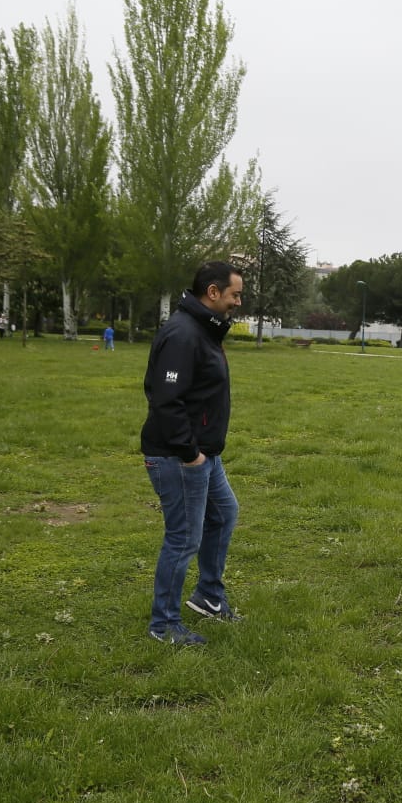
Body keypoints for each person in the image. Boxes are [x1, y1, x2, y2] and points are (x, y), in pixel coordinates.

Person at [140, 262, 246, 646]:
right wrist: (190, 454)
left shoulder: (203, 330)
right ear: (213, 292)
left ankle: (208, 597)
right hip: (179, 455)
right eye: (235, 294)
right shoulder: (183, 334)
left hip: (202, 453)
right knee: (183, 537)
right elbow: (165, 401)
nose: (238, 302)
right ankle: (164, 624)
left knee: (224, 514)